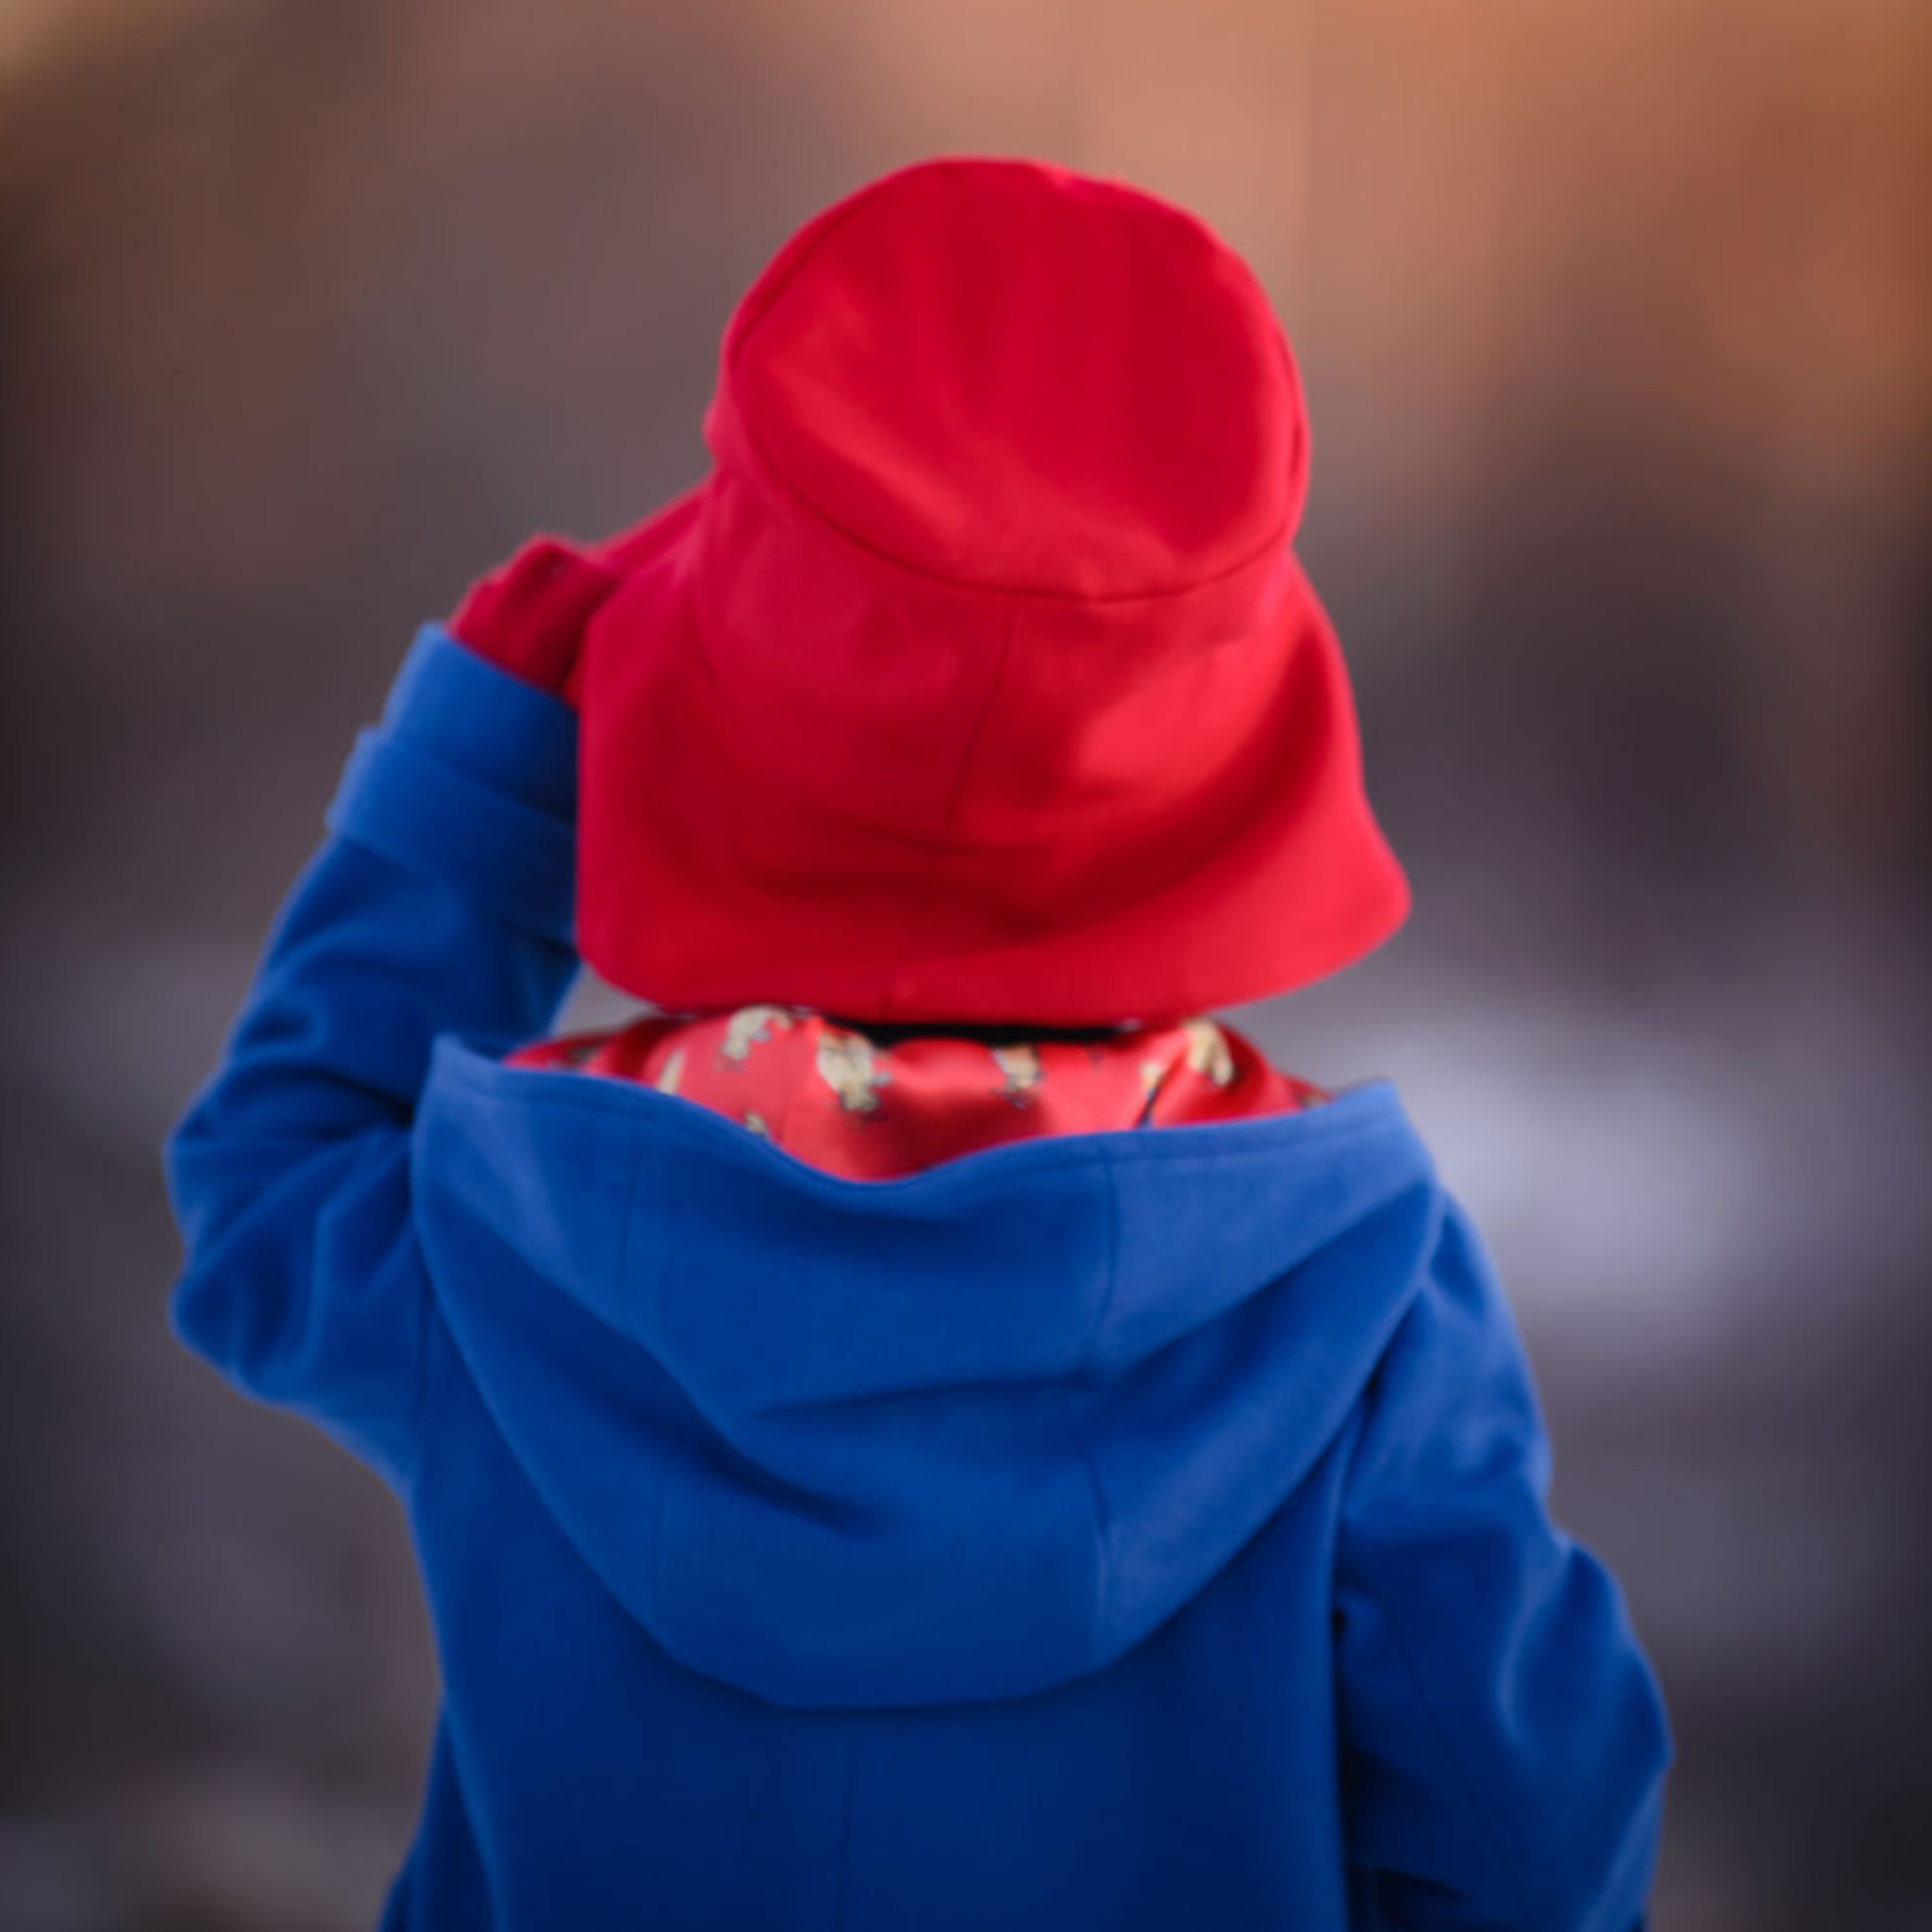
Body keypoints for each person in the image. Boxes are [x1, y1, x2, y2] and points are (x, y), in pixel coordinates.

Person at [163, 155, 1671, 1930]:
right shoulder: (1359, 1289)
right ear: (1231, 747)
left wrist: (480, 779)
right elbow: (1527, 1837)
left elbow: (268, 1185)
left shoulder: (522, 1232)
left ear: (700, 704)